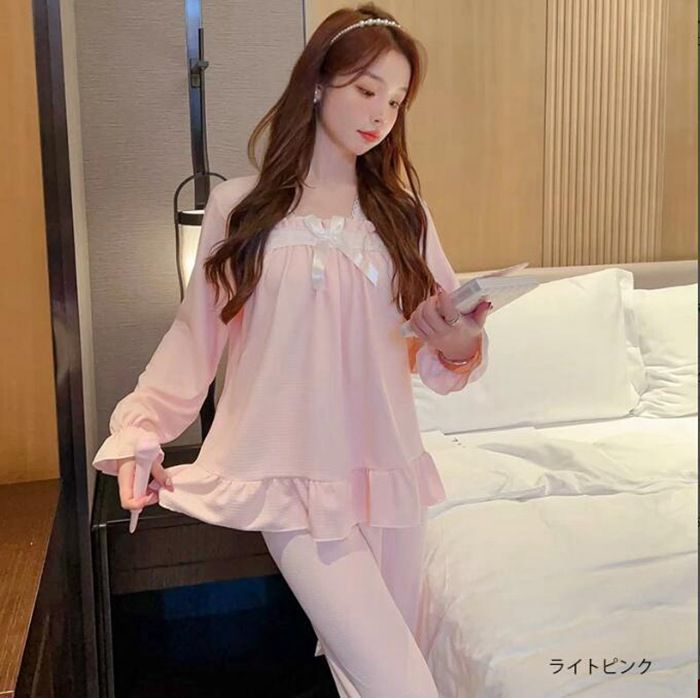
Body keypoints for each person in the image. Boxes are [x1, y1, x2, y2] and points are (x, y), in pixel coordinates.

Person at [93, 3, 492, 696]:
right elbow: (195, 338)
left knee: (378, 674)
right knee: (402, 685)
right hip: (293, 481)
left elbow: (441, 350)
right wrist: (141, 431)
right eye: (366, 89)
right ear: (317, 82)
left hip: (391, 472)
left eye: (395, 101)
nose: (380, 114)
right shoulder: (241, 210)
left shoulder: (405, 216)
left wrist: (459, 338)